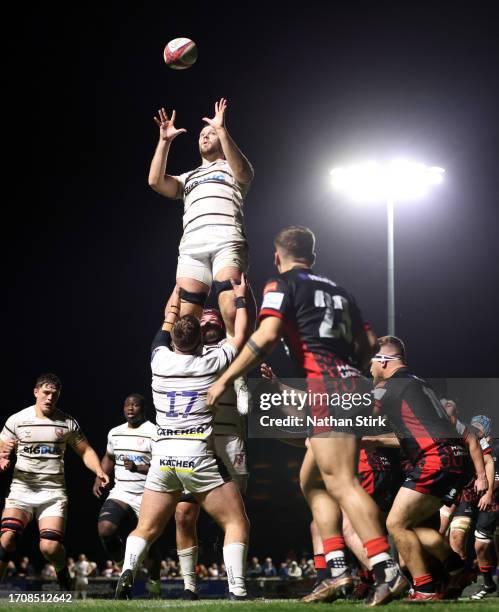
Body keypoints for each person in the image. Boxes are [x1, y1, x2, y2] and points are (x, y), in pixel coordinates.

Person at [207, 226, 407, 605]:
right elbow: (368, 345)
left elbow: (265, 337)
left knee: (342, 482)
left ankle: (386, 568)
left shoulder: (282, 283)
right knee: (311, 481)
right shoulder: (340, 291)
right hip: (349, 387)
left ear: (277, 256)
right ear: (312, 256)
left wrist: (224, 380)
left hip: (329, 392)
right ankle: (336, 570)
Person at [115, 281, 251, 600]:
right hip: (198, 455)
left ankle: (127, 573)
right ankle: (238, 590)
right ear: (200, 339)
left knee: (146, 528)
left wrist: (177, 294)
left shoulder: (159, 361)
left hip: (163, 457)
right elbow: (241, 334)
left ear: (174, 339)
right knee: (236, 521)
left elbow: (165, 324)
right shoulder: (213, 362)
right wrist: (242, 296)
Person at [371, 336, 488, 600]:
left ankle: (423, 587)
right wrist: (377, 439)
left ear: (384, 361)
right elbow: (420, 429)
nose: (369, 365)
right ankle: (457, 569)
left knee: (395, 523)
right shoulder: (418, 383)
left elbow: (352, 413)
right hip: (454, 460)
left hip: (435, 459)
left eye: (371, 360)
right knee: (417, 525)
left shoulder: (387, 387)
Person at [0, 373, 109, 589]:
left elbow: (85, 450)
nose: (50, 398)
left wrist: (98, 470)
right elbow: (2, 447)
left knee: (49, 548)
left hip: (53, 493)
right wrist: (2, 456)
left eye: (55, 394)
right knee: (7, 539)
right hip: (22, 489)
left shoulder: (67, 422)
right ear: (36, 392)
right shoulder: (17, 420)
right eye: (46, 393)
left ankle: (62, 572)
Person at [174, 308, 249, 599]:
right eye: (202, 321)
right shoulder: (183, 352)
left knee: (235, 515)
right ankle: (189, 586)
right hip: (193, 439)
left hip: (230, 440)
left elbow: (238, 324)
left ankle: (236, 585)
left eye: (213, 321)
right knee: (183, 513)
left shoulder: (231, 349)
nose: (208, 324)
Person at [93, 394, 161, 597]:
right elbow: (109, 456)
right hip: (121, 492)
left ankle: (155, 582)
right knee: (105, 529)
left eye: (135, 405)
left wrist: (138, 468)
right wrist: (100, 475)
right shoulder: (115, 432)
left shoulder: (154, 432)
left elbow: (161, 466)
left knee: (148, 547)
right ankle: (125, 567)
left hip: (149, 495)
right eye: (127, 405)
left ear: (144, 408)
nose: (130, 408)